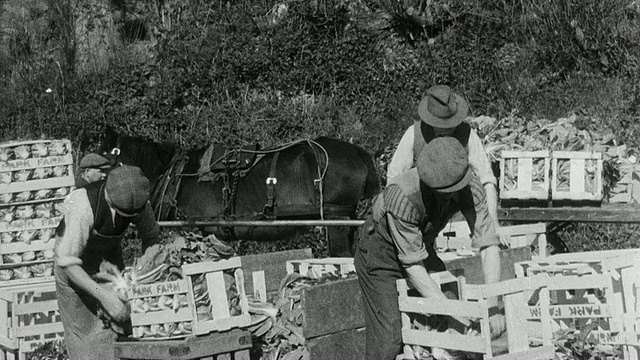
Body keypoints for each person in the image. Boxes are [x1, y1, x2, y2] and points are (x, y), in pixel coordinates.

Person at [355, 137, 505, 360]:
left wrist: (492, 307)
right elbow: (413, 267)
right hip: (381, 256)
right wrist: (456, 314)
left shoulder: (471, 186)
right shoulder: (402, 195)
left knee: (452, 312)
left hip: (420, 248)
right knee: (389, 339)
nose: (451, 194)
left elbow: (488, 244)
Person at [54, 165, 161, 360]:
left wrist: (144, 272)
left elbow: (152, 238)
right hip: (75, 268)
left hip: (109, 262)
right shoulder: (82, 205)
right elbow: (67, 262)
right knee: (87, 341)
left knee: (124, 330)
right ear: (109, 197)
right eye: (119, 213)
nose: (124, 219)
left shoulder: (139, 200)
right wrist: (104, 296)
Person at [386, 85, 508, 246]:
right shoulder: (413, 134)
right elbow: (394, 178)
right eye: (439, 124)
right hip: (419, 207)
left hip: (450, 208)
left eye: (450, 124)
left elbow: (487, 180)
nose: (445, 129)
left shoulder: (467, 135)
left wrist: (494, 224)